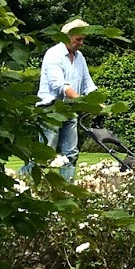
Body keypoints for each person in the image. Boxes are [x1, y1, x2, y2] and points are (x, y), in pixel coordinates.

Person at [35, 18, 97, 180]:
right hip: (50, 109)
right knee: (46, 152)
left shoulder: (80, 57)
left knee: (71, 152)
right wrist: (82, 101)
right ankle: (27, 182)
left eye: (83, 39)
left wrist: (99, 103)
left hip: (69, 110)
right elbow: (59, 86)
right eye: (78, 39)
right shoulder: (53, 54)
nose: (81, 43)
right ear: (67, 37)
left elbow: (88, 83)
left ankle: (67, 188)